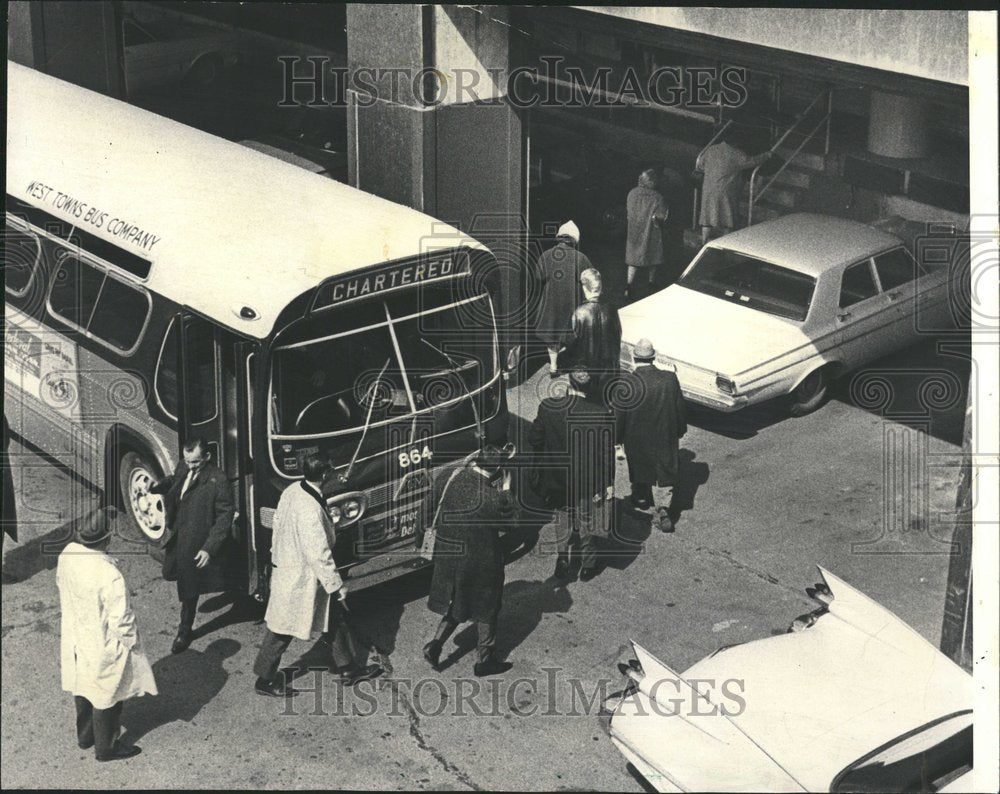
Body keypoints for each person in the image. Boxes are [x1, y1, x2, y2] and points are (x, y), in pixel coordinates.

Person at [253, 454, 382, 697]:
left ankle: (348, 669)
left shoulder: (293, 490)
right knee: (283, 628)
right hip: (301, 577)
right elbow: (318, 553)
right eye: (330, 472)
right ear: (324, 475)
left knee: (332, 619)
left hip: (290, 568)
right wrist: (336, 584)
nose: (333, 476)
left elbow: (279, 525)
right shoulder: (310, 509)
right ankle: (265, 679)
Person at [57, 509, 157, 761]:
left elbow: (61, 584)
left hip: (76, 635)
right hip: (103, 642)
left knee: (83, 687)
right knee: (107, 696)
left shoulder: (67, 553)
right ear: (107, 539)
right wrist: (132, 643)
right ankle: (106, 748)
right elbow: (121, 620)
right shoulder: (109, 573)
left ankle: (85, 737)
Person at [423, 445, 518, 677]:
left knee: (457, 601)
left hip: (448, 553)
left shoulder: (450, 475)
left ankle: (435, 644)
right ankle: (484, 661)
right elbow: (512, 523)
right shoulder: (490, 498)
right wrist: (506, 490)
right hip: (480, 559)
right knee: (487, 606)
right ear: (497, 469)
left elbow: (428, 505)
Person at [529, 366, 616, 582]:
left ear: (569, 383)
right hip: (586, 480)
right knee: (587, 519)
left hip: (557, 477)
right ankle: (588, 565)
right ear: (590, 386)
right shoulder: (600, 413)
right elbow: (606, 453)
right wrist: (607, 483)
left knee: (562, 516)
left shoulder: (548, 407)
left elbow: (535, 439)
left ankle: (562, 558)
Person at [149, 437, 235, 654]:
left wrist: (208, 548)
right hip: (178, 532)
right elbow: (177, 481)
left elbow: (224, 516)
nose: (190, 466)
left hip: (195, 541)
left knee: (189, 588)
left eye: (195, 462)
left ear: (207, 457)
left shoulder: (217, 479)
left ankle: (184, 631)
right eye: (187, 461)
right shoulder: (183, 466)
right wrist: (158, 486)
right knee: (169, 572)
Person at [615, 339, 687, 533]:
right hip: (665, 434)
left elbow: (619, 415)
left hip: (637, 437)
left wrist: (617, 439)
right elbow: (679, 408)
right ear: (653, 357)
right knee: (664, 471)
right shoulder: (669, 379)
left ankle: (641, 497)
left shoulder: (626, 383)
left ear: (634, 357)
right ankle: (663, 508)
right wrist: (680, 430)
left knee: (640, 467)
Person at [534, 220, 592, 378]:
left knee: (552, 336)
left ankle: (553, 366)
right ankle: (574, 366)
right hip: (573, 304)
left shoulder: (546, 255)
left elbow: (538, 276)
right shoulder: (581, 258)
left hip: (551, 304)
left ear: (559, 237)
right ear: (574, 239)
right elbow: (590, 281)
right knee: (573, 334)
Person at [697, 126, 772, 243]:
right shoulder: (736, 154)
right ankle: (724, 243)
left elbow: (701, 165)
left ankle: (703, 241)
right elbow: (752, 161)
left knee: (707, 217)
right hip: (726, 191)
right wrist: (767, 155)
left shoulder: (711, 149)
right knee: (728, 219)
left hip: (708, 188)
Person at [564, 268, 622, 393]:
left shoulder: (579, 313)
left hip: (585, 376)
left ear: (584, 288)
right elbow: (617, 337)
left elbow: (570, 345)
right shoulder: (612, 310)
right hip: (608, 374)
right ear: (600, 288)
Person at [625, 169, 669, 299]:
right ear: (652, 182)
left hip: (634, 231)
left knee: (632, 261)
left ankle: (628, 286)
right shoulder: (657, 197)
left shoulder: (632, 193)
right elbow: (661, 216)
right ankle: (651, 283)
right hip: (651, 232)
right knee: (654, 257)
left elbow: (629, 212)